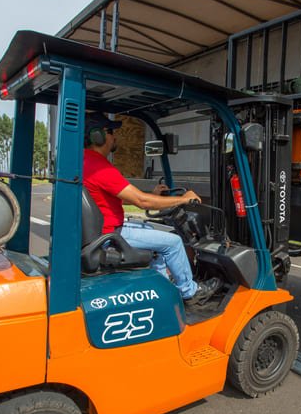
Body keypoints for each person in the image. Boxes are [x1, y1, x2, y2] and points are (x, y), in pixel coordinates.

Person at [82, 113, 222, 306]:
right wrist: (182, 199)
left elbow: (111, 198)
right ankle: (189, 291)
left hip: (103, 231)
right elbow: (142, 202)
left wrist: (155, 194)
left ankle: (160, 289)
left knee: (149, 233)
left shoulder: (84, 162)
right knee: (173, 242)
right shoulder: (100, 167)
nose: (115, 137)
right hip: (109, 234)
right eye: (111, 132)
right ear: (98, 136)